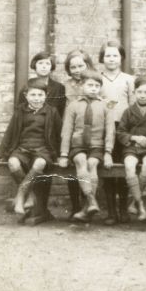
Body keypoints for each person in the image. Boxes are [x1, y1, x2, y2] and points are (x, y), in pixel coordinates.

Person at [0, 78, 62, 220]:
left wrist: (63, 154)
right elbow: (10, 131)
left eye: (40, 95)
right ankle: (30, 196)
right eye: (33, 95)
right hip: (22, 148)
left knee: (40, 164)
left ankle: (20, 196)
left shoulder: (52, 112)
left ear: (46, 95)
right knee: (13, 163)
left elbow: (60, 134)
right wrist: (0, 153)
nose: (37, 99)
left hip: (43, 149)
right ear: (26, 96)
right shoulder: (20, 111)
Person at [59, 69, 113, 222]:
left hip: (97, 146)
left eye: (97, 86)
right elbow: (66, 131)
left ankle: (86, 208)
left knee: (92, 163)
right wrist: (63, 154)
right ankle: (91, 201)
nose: (94, 88)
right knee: (81, 161)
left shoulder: (106, 106)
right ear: (82, 85)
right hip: (78, 146)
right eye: (90, 85)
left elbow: (110, 131)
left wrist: (108, 152)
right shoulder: (73, 106)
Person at [99, 40, 135, 225]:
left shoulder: (129, 79)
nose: (111, 59)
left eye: (115, 55)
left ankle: (123, 209)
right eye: (107, 55)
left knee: (123, 167)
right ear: (102, 58)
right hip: (105, 127)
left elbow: (133, 105)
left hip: (123, 127)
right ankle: (111, 211)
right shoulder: (98, 79)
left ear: (121, 58)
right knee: (108, 168)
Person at [116, 75, 146, 222]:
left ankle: (135, 201)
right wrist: (134, 138)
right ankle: (140, 204)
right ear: (135, 93)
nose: (143, 95)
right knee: (129, 166)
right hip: (132, 148)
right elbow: (121, 132)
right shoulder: (128, 111)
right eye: (140, 92)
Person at [59, 49, 95, 221]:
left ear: (88, 65)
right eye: (73, 67)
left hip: (91, 131)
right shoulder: (65, 86)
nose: (77, 70)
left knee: (89, 165)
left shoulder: (94, 83)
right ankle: (75, 206)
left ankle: (88, 205)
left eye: (81, 65)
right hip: (72, 131)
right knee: (73, 170)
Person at [21, 51, 66, 117]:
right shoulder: (27, 86)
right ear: (35, 65)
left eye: (47, 64)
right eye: (40, 63)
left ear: (51, 67)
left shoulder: (59, 88)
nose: (44, 66)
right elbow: (20, 111)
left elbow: (61, 112)